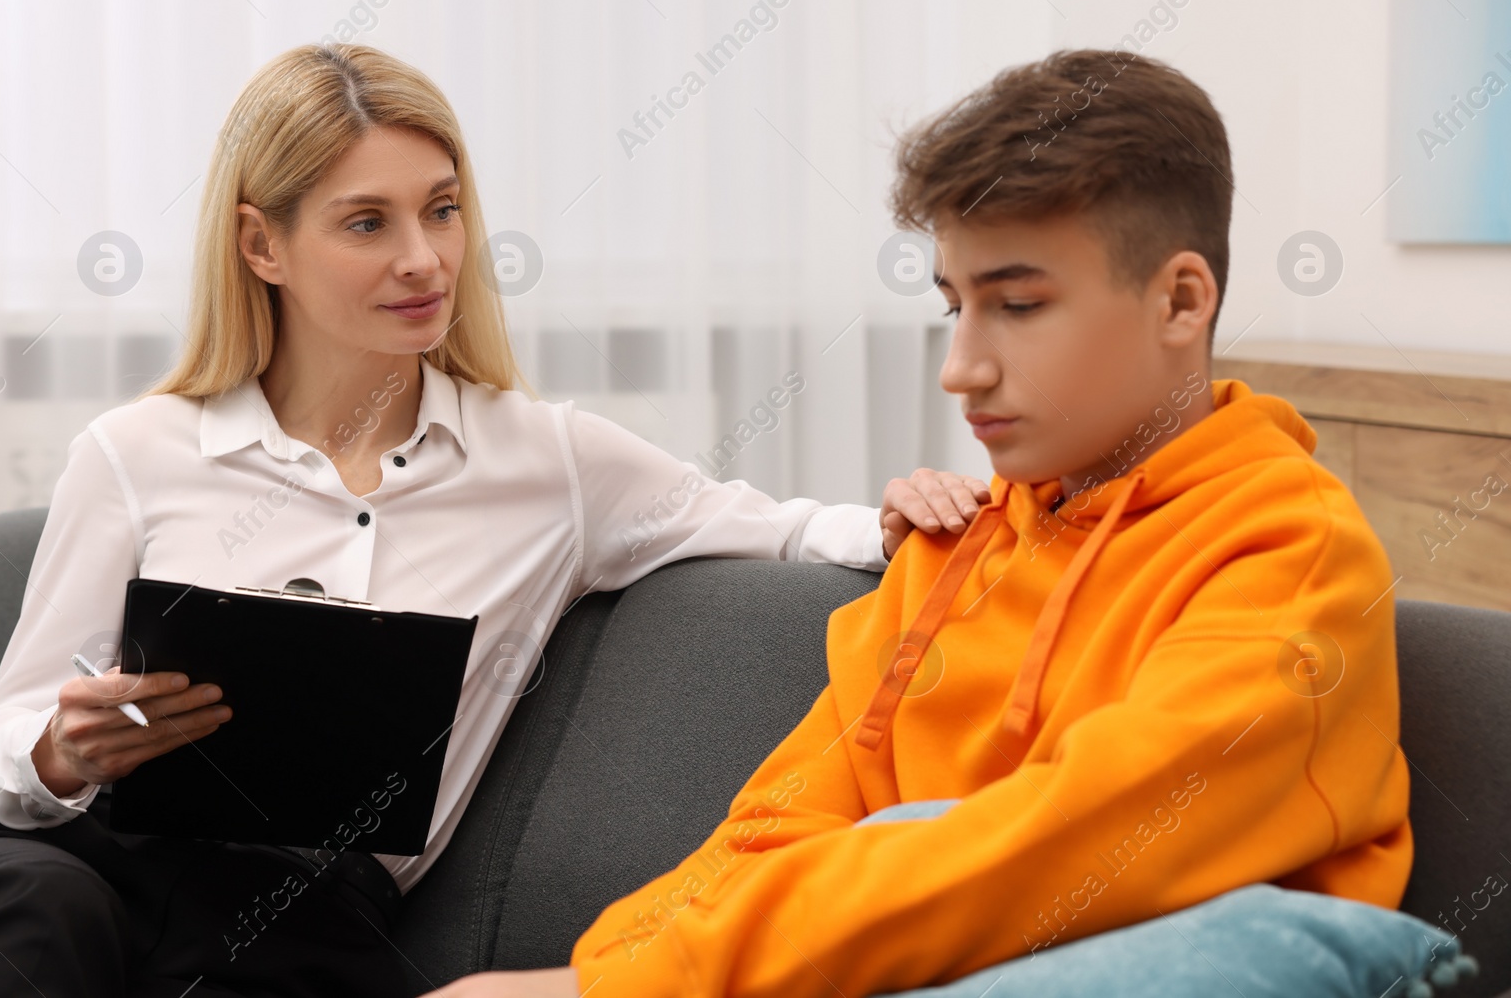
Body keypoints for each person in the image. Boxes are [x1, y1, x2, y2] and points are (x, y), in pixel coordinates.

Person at [0, 43, 987, 998]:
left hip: (294, 914)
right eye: (367, 222)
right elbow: (5, 738)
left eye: (442, 208)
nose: (424, 258)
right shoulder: (136, 452)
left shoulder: (549, 461)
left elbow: (781, 527)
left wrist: (900, 518)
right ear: (261, 245)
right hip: (74, 860)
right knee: (28, 909)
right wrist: (59, 748)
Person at [430, 49, 1413, 998]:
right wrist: (606, 968)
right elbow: (784, 819)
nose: (961, 368)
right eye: (954, 305)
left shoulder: (1288, 551)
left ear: (1180, 300)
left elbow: (1061, 846)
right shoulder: (958, 543)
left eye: (1018, 304)